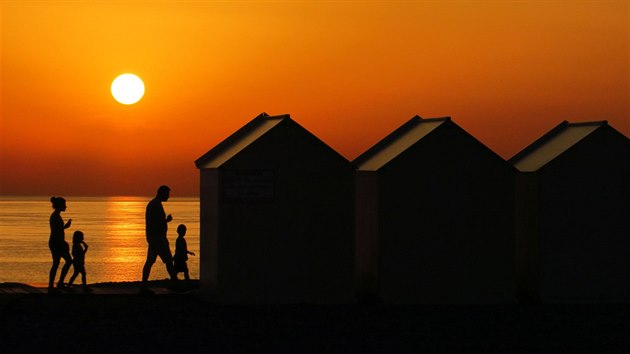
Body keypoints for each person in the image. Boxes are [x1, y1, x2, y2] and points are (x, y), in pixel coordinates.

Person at [141, 185, 176, 293]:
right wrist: (165, 221)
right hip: (158, 238)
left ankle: (144, 285)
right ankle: (174, 283)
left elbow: (155, 222)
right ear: (162, 193)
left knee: (150, 261)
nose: (168, 197)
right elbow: (156, 223)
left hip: (154, 238)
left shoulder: (154, 204)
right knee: (169, 261)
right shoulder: (156, 205)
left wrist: (165, 221)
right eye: (167, 194)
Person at [48, 196, 73, 292]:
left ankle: (56, 284)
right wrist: (63, 243)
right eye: (64, 205)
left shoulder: (56, 216)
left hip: (56, 242)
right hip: (57, 242)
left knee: (57, 263)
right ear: (60, 205)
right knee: (66, 261)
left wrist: (65, 226)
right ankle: (58, 283)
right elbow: (57, 231)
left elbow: (58, 229)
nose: (66, 207)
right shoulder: (55, 216)